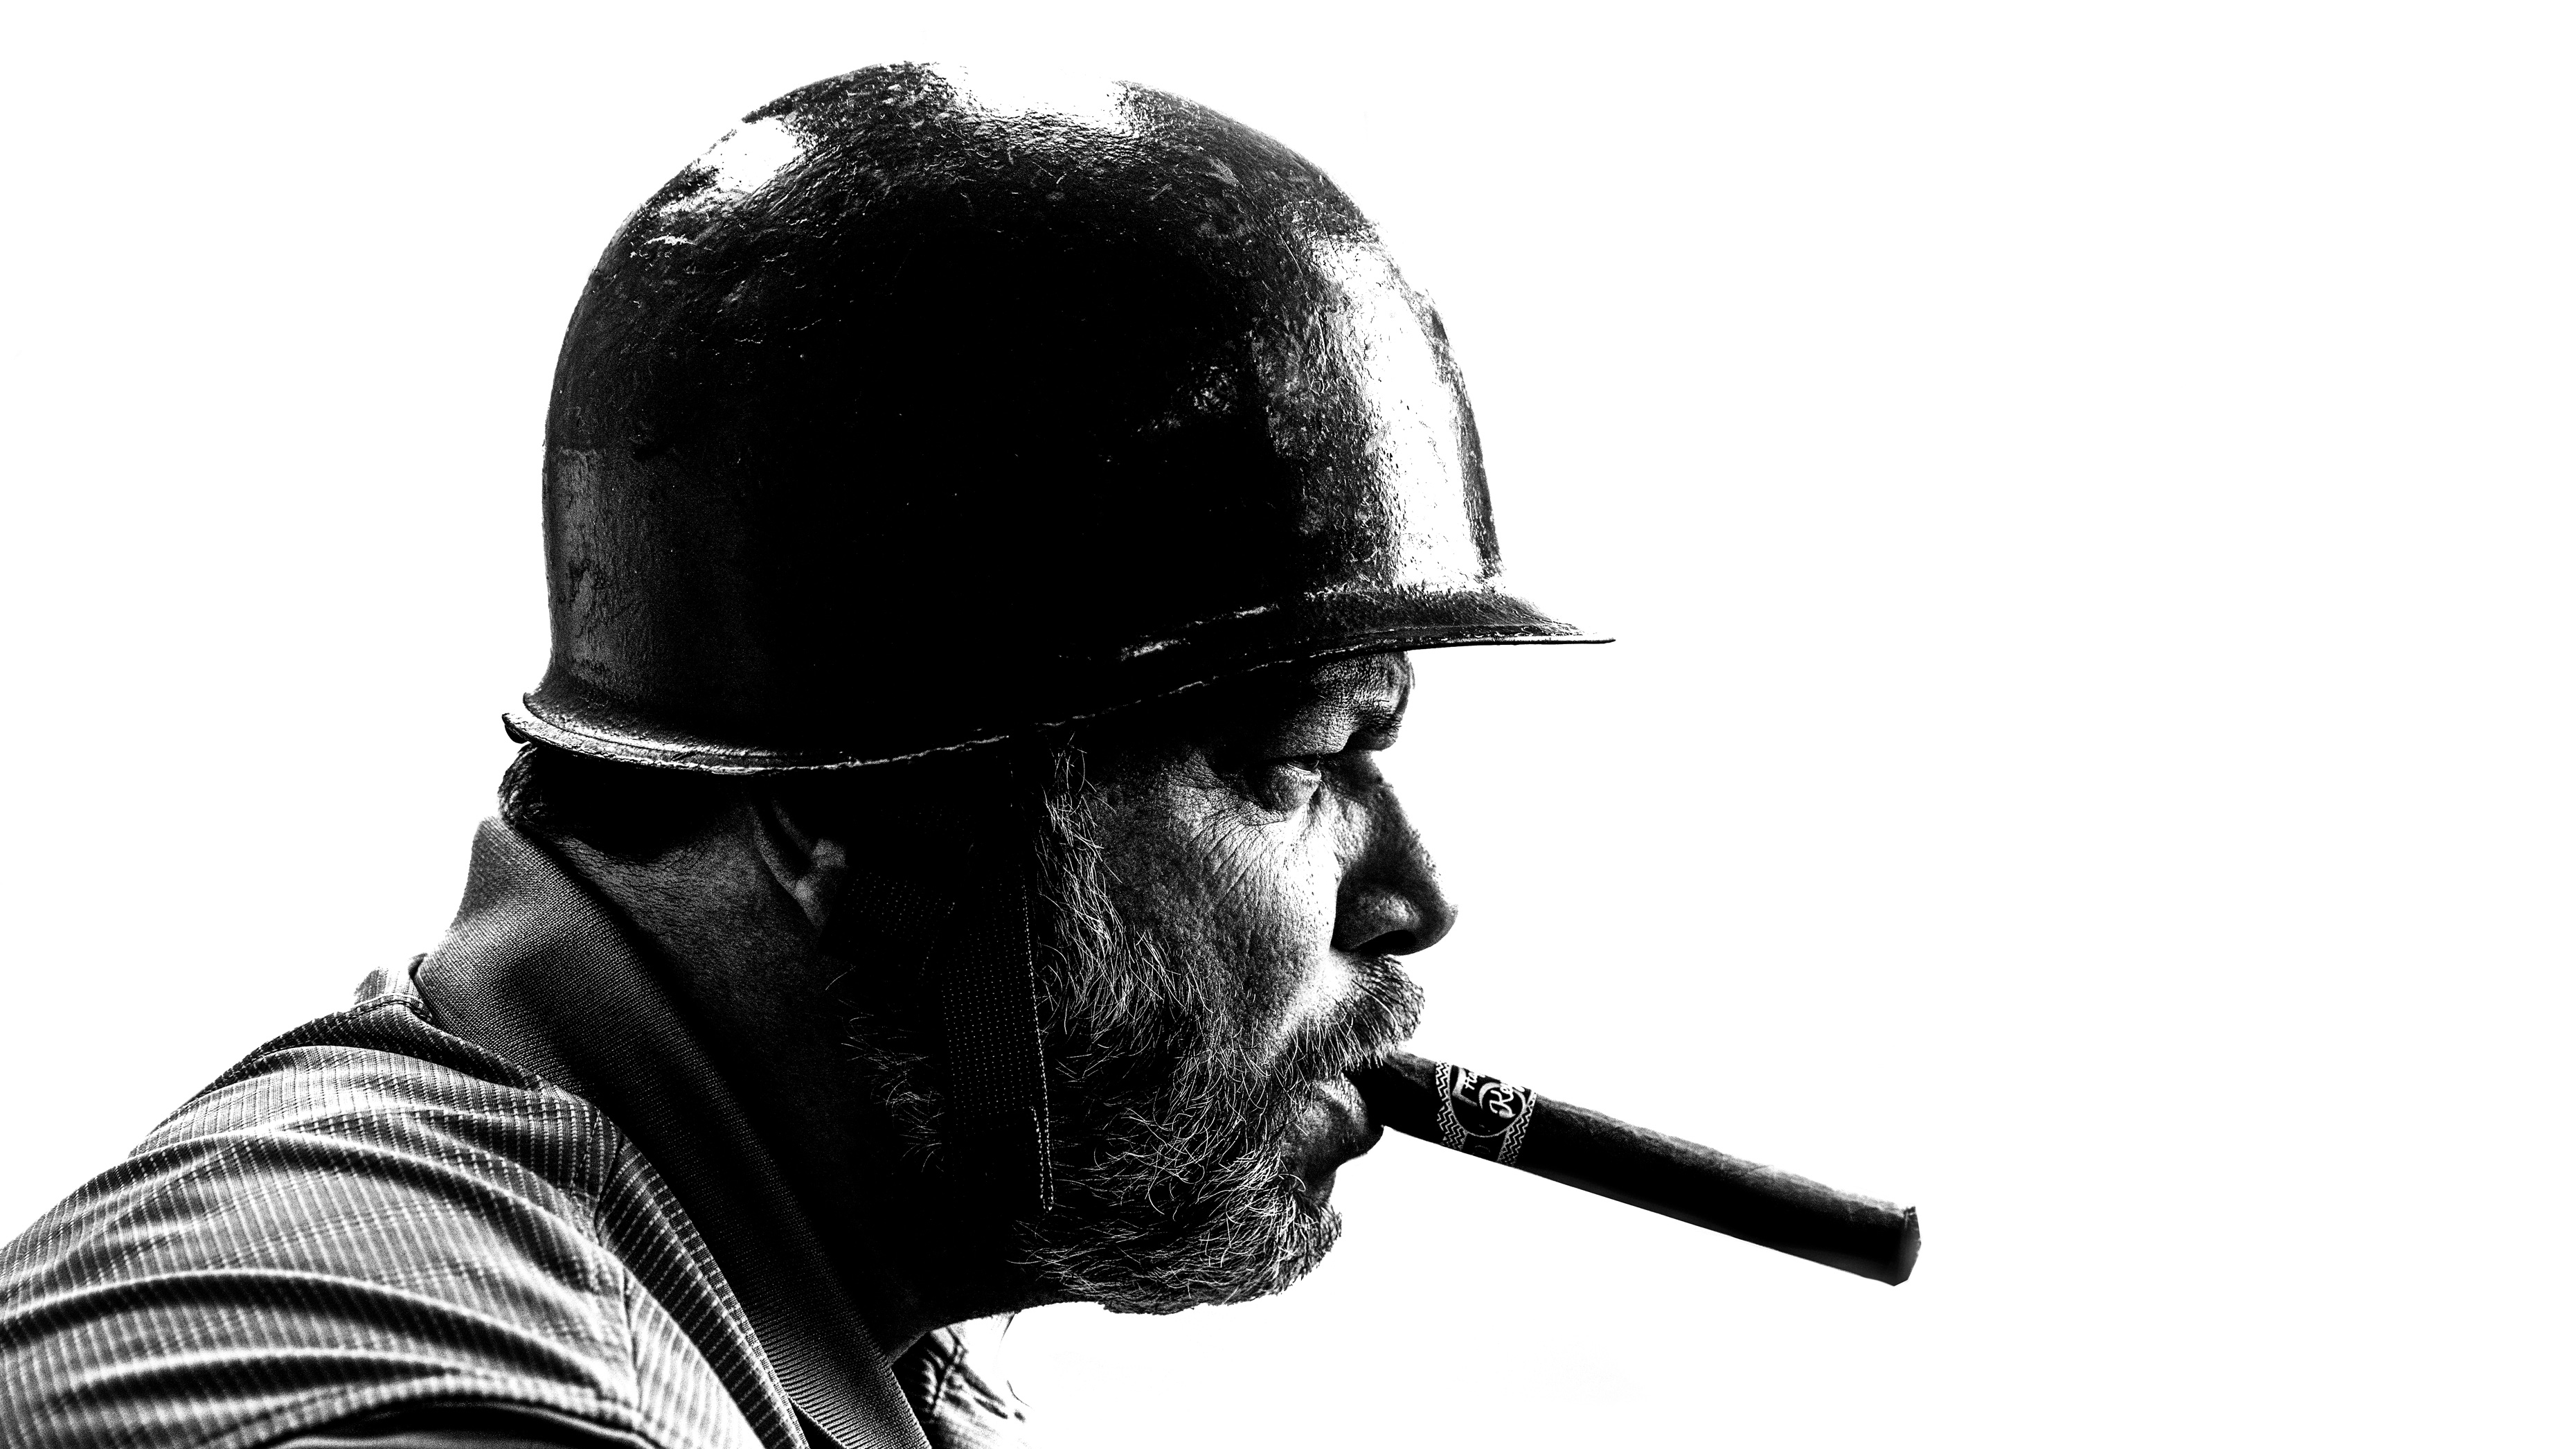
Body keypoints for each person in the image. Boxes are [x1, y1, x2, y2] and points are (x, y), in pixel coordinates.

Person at [0, 62, 1597, 1449]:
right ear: (882, 801)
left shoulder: (742, 1281)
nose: (1411, 893)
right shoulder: (448, 1385)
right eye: (1302, 761)